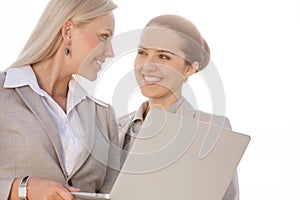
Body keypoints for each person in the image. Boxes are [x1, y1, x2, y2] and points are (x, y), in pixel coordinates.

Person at [0, 0, 120, 199]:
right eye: (103, 37)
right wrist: (20, 189)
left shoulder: (103, 115)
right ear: (68, 32)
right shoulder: (3, 94)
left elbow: (117, 194)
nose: (110, 52)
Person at [118, 14, 239, 199]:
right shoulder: (115, 127)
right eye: (142, 53)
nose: (148, 65)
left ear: (189, 68)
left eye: (164, 57)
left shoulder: (212, 129)